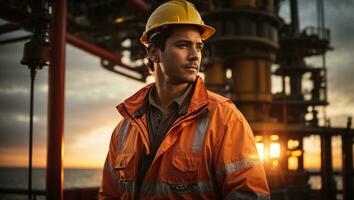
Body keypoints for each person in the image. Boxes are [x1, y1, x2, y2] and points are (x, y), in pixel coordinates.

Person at [99, 0, 269, 199]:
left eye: (198, 47)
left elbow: (249, 195)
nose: (194, 56)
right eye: (183, 45)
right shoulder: (124, 129)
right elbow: (109, 195)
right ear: (154, 52)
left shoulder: (224, 118)